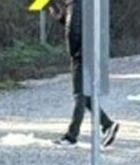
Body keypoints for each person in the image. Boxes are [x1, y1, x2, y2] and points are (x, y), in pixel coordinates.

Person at [50, 0, 120, 148]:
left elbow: (75, 32)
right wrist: (61, 18)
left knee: (78, 95)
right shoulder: (83, 5)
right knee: (85, 96)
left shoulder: (76, 5)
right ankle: (107, 125)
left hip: (81, 55)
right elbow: (78, 27)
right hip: (89, 53)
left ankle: (71, 137)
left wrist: (75, 55)